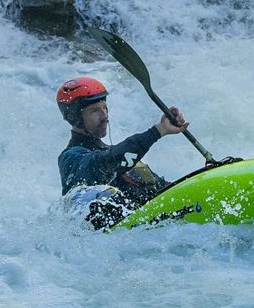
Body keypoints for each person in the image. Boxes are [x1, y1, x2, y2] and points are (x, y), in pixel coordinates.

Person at [56, 76, 189, 228]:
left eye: (105, 108)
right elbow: (108, 162)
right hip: (110, 239)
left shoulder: (114, 154)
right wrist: (158, 131)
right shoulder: (71, 158)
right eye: (95, 111)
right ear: (75, 117)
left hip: (152, 226)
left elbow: (164, 189)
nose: (105, 116)